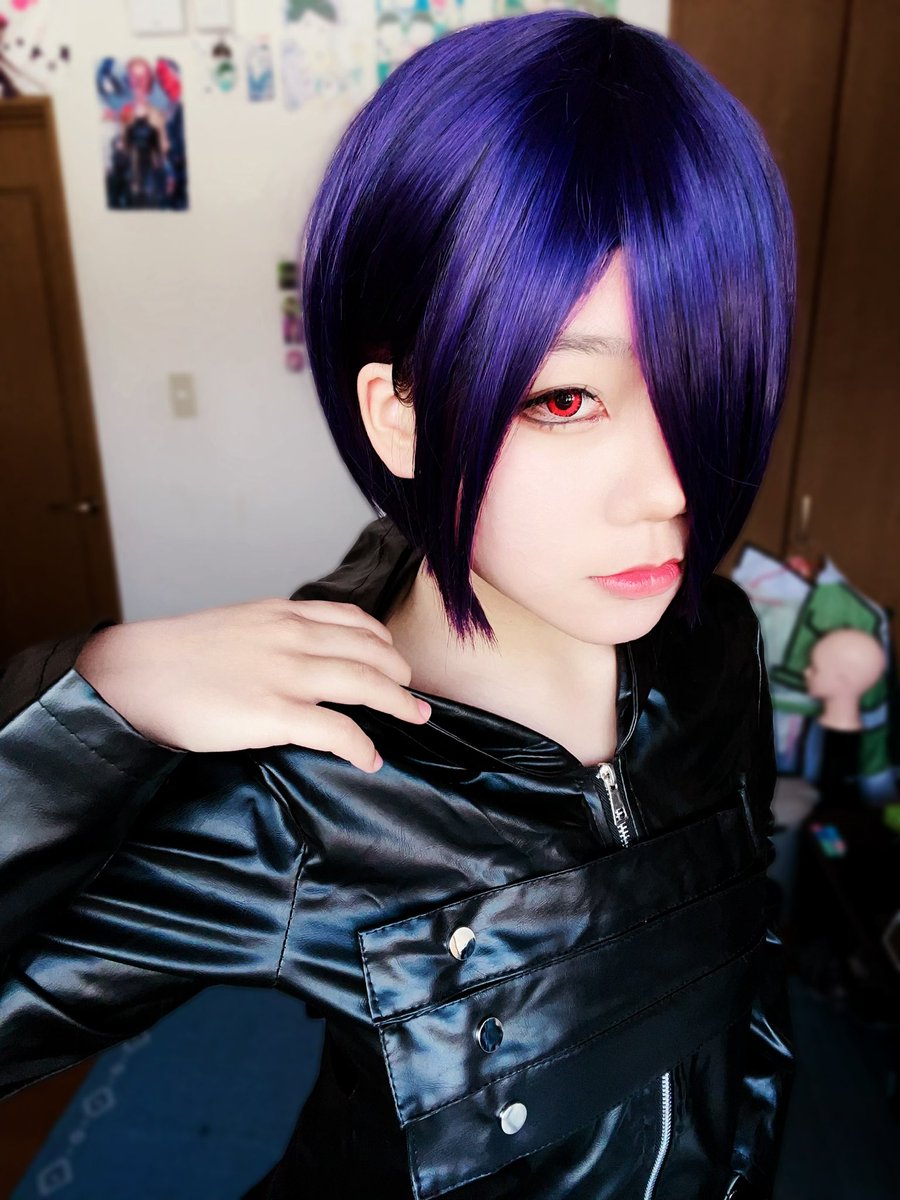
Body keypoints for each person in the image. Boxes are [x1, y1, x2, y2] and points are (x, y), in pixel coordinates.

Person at [0, 11, 796, 1199]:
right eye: (566, 400)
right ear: (402, 416)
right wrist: (91, 701)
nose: (671, 489)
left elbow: (747, 972)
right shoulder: (311, 780)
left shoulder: (715, 642)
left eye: (705, 387)